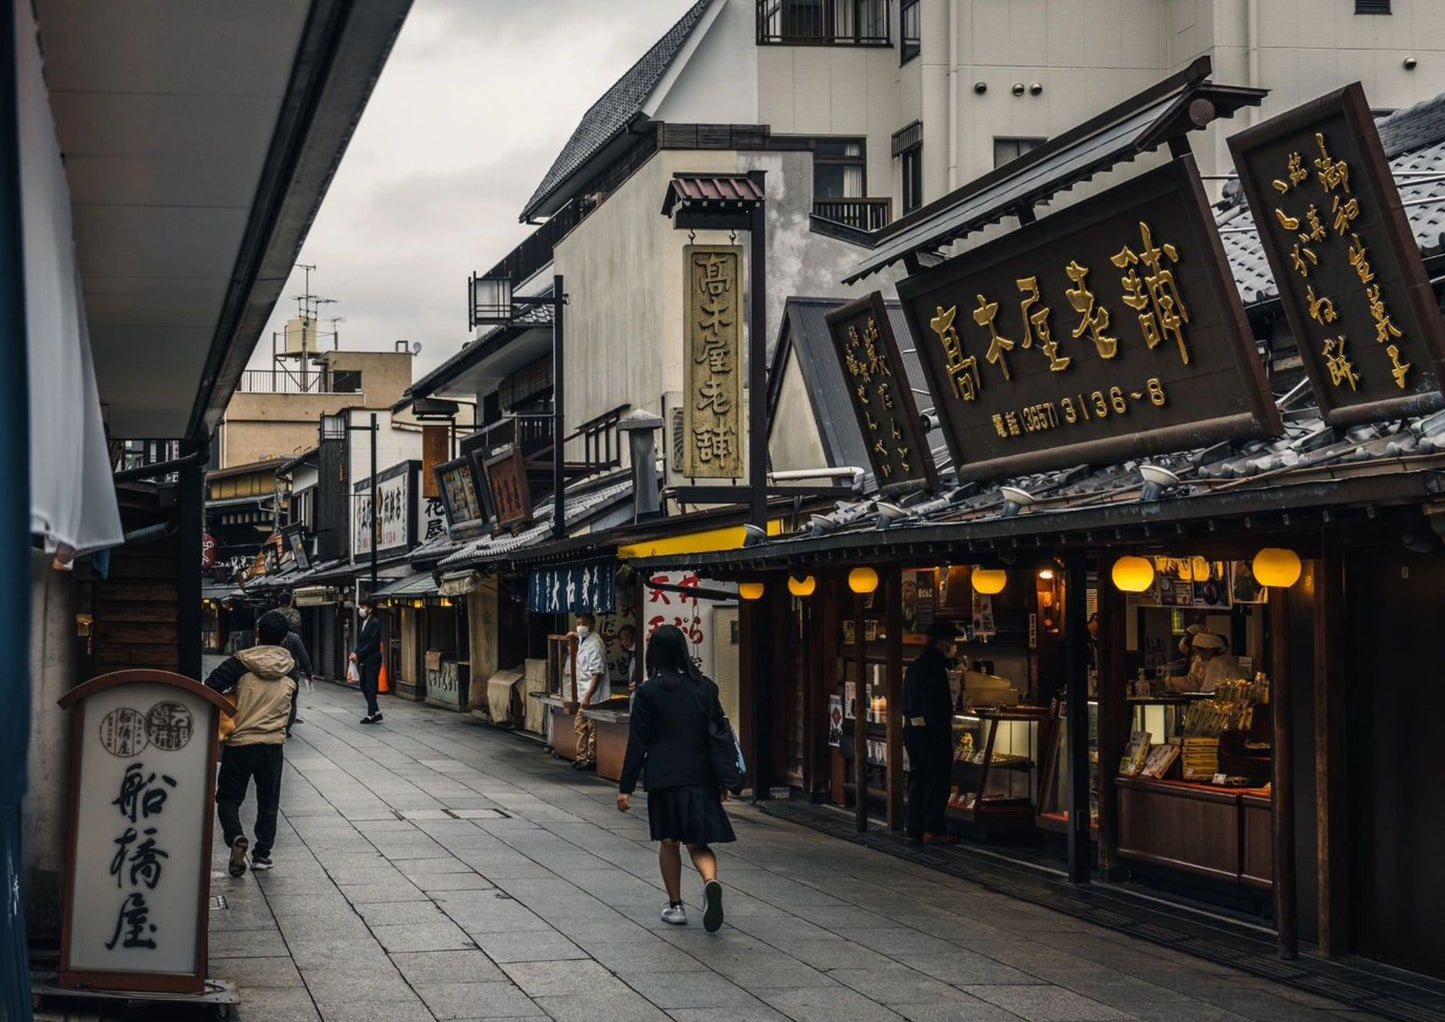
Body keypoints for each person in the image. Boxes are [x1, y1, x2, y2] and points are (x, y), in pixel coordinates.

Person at [617, 625, 734, 932]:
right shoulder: (706, 688)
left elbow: (638, 742)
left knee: (669, 841)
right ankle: (710, 882)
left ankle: (676, 906)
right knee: (698, 841)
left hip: (664, 776)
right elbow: (718, 735)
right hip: (701, 776)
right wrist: (723, 779)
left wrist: (626, 787)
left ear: (653, 653)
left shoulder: (648, 692)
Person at [205, 610, 298, 876]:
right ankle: (262, 855)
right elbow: (291, 707)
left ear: (258, 634)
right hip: (272, 745)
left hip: (240, 743)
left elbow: (210, 687)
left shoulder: (240, 662)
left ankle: (235, 836)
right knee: (268, 802)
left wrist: (233, 697)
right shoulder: (291, 668)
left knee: (228, 798)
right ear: (283, 639)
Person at [903, 620, 961, 846]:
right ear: (942, 642)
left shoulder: (916, 665)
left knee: (918, 779)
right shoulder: (934, 667)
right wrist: (941, 730)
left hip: (912, 730)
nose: (953, 646)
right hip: (930, 733)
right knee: (937, 782)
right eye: (952, 642)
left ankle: (914, 829)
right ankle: (933, 829)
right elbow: (934, 703)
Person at [567, 612, 608, 771]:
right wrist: (575, 635)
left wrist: (588, 696)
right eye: (577, 623)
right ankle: (582, 757)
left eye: (582, 624)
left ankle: (590, 758)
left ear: (590, 625)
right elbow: (578, 635)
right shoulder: (585, 639)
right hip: (584, 692)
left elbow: (598, 673)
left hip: (592, 694)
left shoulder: (595, 644)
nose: (579, 627)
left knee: (591, 727)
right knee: (581, 726)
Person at [350, 598, 384, 724]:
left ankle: (371, 714)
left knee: (370, 686)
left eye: (363, 607)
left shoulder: (374, 623)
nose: (361, 610)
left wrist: (358, 654)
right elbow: (362, 642)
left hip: (373, 658)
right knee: (364, 685)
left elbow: (371, 642)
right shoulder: (365, 622)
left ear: (370, 609)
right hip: (366, 658)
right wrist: (355, 652)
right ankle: (376, 711)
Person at [619, 624, 640, 700]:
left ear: (634, 636)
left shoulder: (641, 652)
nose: (624, 641)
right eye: (622, 639)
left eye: (627, 637)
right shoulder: (632, 653)